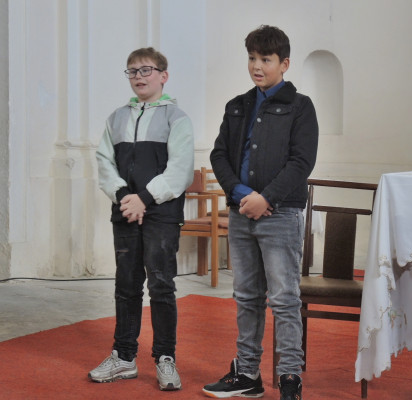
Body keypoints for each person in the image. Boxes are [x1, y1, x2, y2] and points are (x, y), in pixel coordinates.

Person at [203, 25, 318, 400]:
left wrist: (266, 198)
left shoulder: (300, 107)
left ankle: (289, 378)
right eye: (252, 58)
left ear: (284, 64)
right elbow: (219, 155)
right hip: (242, 214)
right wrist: (240, 194)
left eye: (265, 59)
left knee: (284, 299)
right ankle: (248, 374)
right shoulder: (237, 105)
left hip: (280, 215)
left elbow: (301, 162)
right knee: (247, 297)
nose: (256, 66)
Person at [91, 47, 194, 391]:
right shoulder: (116, 118)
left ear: (164, 76)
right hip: (125, 212)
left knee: (161, 285)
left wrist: (144, 199)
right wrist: (124, 196)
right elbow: (104, 161)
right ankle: (124, 357)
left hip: (161, 214)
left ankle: (165, 358)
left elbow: (180, 170)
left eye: (146, 70)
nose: (139, 76)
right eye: (132, 71)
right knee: (126, 286)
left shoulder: (176, 118)